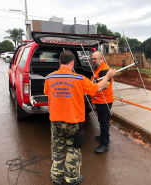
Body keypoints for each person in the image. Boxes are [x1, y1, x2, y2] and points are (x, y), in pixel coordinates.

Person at [44, 50, 116, 185]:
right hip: (73, 121)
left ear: (59, 63)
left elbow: (47, 92)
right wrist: (108, 76)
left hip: (55, 120)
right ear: (72, 62)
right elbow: (98, 87)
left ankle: (56, 177)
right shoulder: (80, 79)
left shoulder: (49, 78)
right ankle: (72, 178)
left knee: (57, 148)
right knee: (72, 148)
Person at [91, 51, 114, 154]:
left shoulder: (104, 70)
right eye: (92, 59)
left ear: (101, 59)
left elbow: (105, 85)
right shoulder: (98, 68)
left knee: (104, 122)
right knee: (102, 120)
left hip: (104, 100)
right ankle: (104, 136)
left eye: (95, 59)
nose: (93, 60)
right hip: (99, 99)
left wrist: (93, 88)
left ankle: (104, 144)